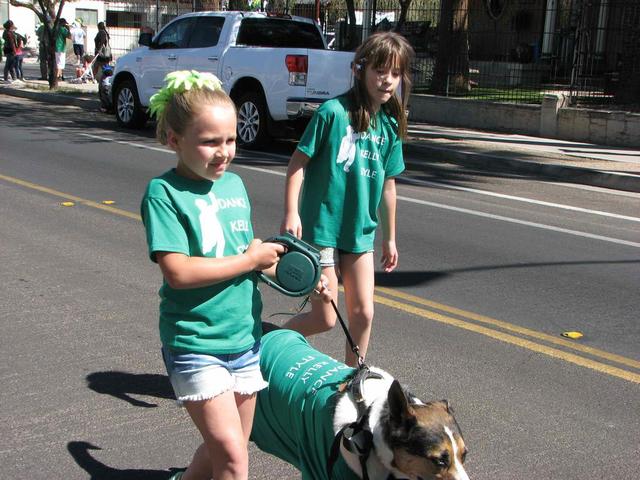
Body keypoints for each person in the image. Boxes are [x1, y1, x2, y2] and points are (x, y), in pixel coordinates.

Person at [141, 70, 329, 480]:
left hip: (245, 340)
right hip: (195, 341)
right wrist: (250, 261)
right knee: (232, 458)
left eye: (230, 140)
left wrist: (304, 278)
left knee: (231, 447)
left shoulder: (235, 187)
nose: (223, 152)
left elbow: (249, 258)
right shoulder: (165, 193)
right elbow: (178, 272)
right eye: (210, 142)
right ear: (174, 139)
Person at [280, 32, 414, 367]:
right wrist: (291, 212)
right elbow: (298, 164)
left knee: (363, 313)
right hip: (322, 228)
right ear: (360, 69)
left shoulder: (391, 124)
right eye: (380, 71)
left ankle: (352, 381)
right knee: (325, 318)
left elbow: (388, 186)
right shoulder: (332, 113)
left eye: (395, 74)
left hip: (360, 233)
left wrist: (390, 238)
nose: (387, 81)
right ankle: (269, 347)